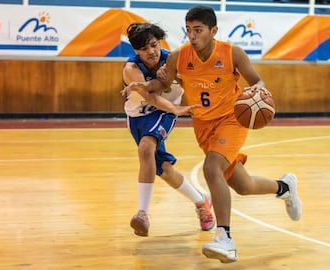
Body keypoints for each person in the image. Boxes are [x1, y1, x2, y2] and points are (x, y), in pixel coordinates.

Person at [122, 6, 302, 263]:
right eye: (188, 30)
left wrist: (259, 96)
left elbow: (257, 81)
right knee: (242, 185)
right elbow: (162, 83)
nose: (192, 36)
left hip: (231, 120)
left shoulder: (232, 54)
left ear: (213, 30)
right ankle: (285, 187)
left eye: (198, 30)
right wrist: (145, 85)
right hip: (204, 126)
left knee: (211, 168)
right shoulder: (178, 57)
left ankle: (225, 238)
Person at [122, 22, 215, 237]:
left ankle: (143, 214)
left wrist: (179, 88)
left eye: (154, 45)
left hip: (164, 112)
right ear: (136, 51)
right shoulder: (131, 69)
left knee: (146, 149)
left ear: (159, 42)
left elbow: (193, 79)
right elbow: (150, 97)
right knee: (163, 169)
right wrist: (175, 106)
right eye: (144, 49)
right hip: (138, 116)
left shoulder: (174, 59)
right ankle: (202, 202)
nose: (151, 51)